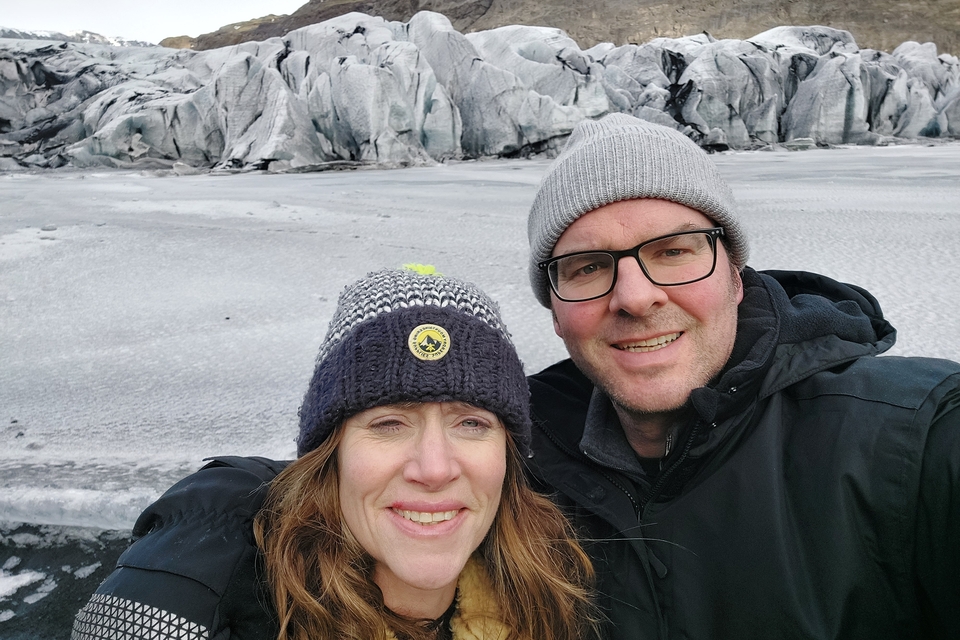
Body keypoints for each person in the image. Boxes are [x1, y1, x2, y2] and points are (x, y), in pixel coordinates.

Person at [523, 113, 960, 639]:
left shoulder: (917, 440)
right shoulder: (513, 473)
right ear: (553, 310)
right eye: (588, 267)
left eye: (674, 252)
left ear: (735, 278)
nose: (636, 298)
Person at [72, 268, 596, 640]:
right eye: (389, 423)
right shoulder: (225, 579)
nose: (435, 468)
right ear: (332, 453)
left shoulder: (551, 591)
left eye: (472, 423)